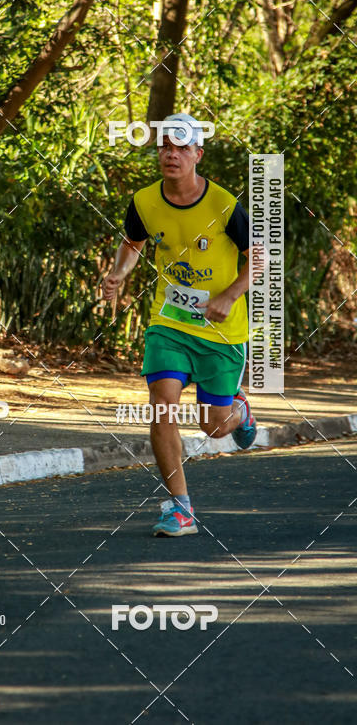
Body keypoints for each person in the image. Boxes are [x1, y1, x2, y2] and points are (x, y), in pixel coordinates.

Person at [102, 113, 257, 537]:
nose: (171, 154)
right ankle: (180, 507)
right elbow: (132, 243)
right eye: (165, 146)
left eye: (181, 147)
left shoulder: (224, 204)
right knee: (163, 404)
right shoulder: (144, 201)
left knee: (213, 425)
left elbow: (258, 259)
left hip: (222, 332)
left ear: (197, 154)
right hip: (168, 323)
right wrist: (119, 272)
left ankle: (239, 412)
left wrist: (227, 296)